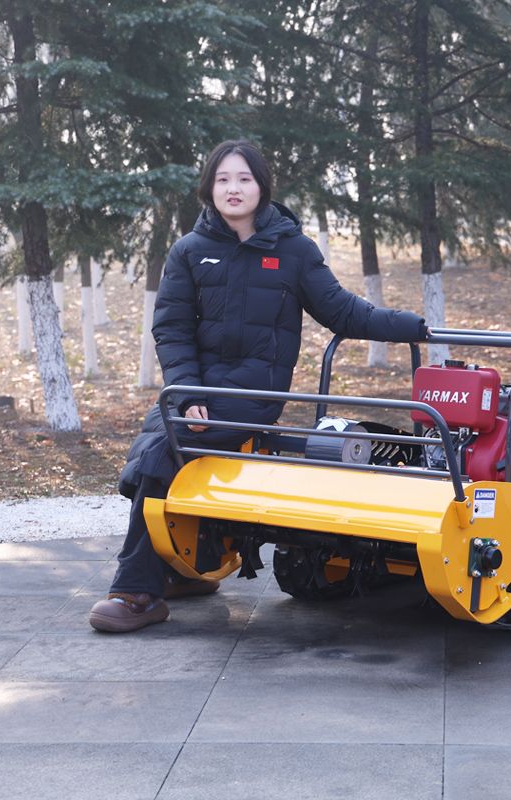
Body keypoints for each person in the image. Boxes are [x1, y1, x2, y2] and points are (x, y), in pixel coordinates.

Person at [89, 140, 427, 633]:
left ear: (262, 186)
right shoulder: (189, 251)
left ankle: (136, 590)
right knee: (155, 444)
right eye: (223, 179)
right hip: (195, 390)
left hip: (254, 392)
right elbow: (172, 330)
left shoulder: (293, 250)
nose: (233, 188)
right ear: (209, 187)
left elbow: (342, 311)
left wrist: (412, 326)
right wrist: (188, 394)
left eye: (244, 179)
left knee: (165, 451)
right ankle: (179, 571)